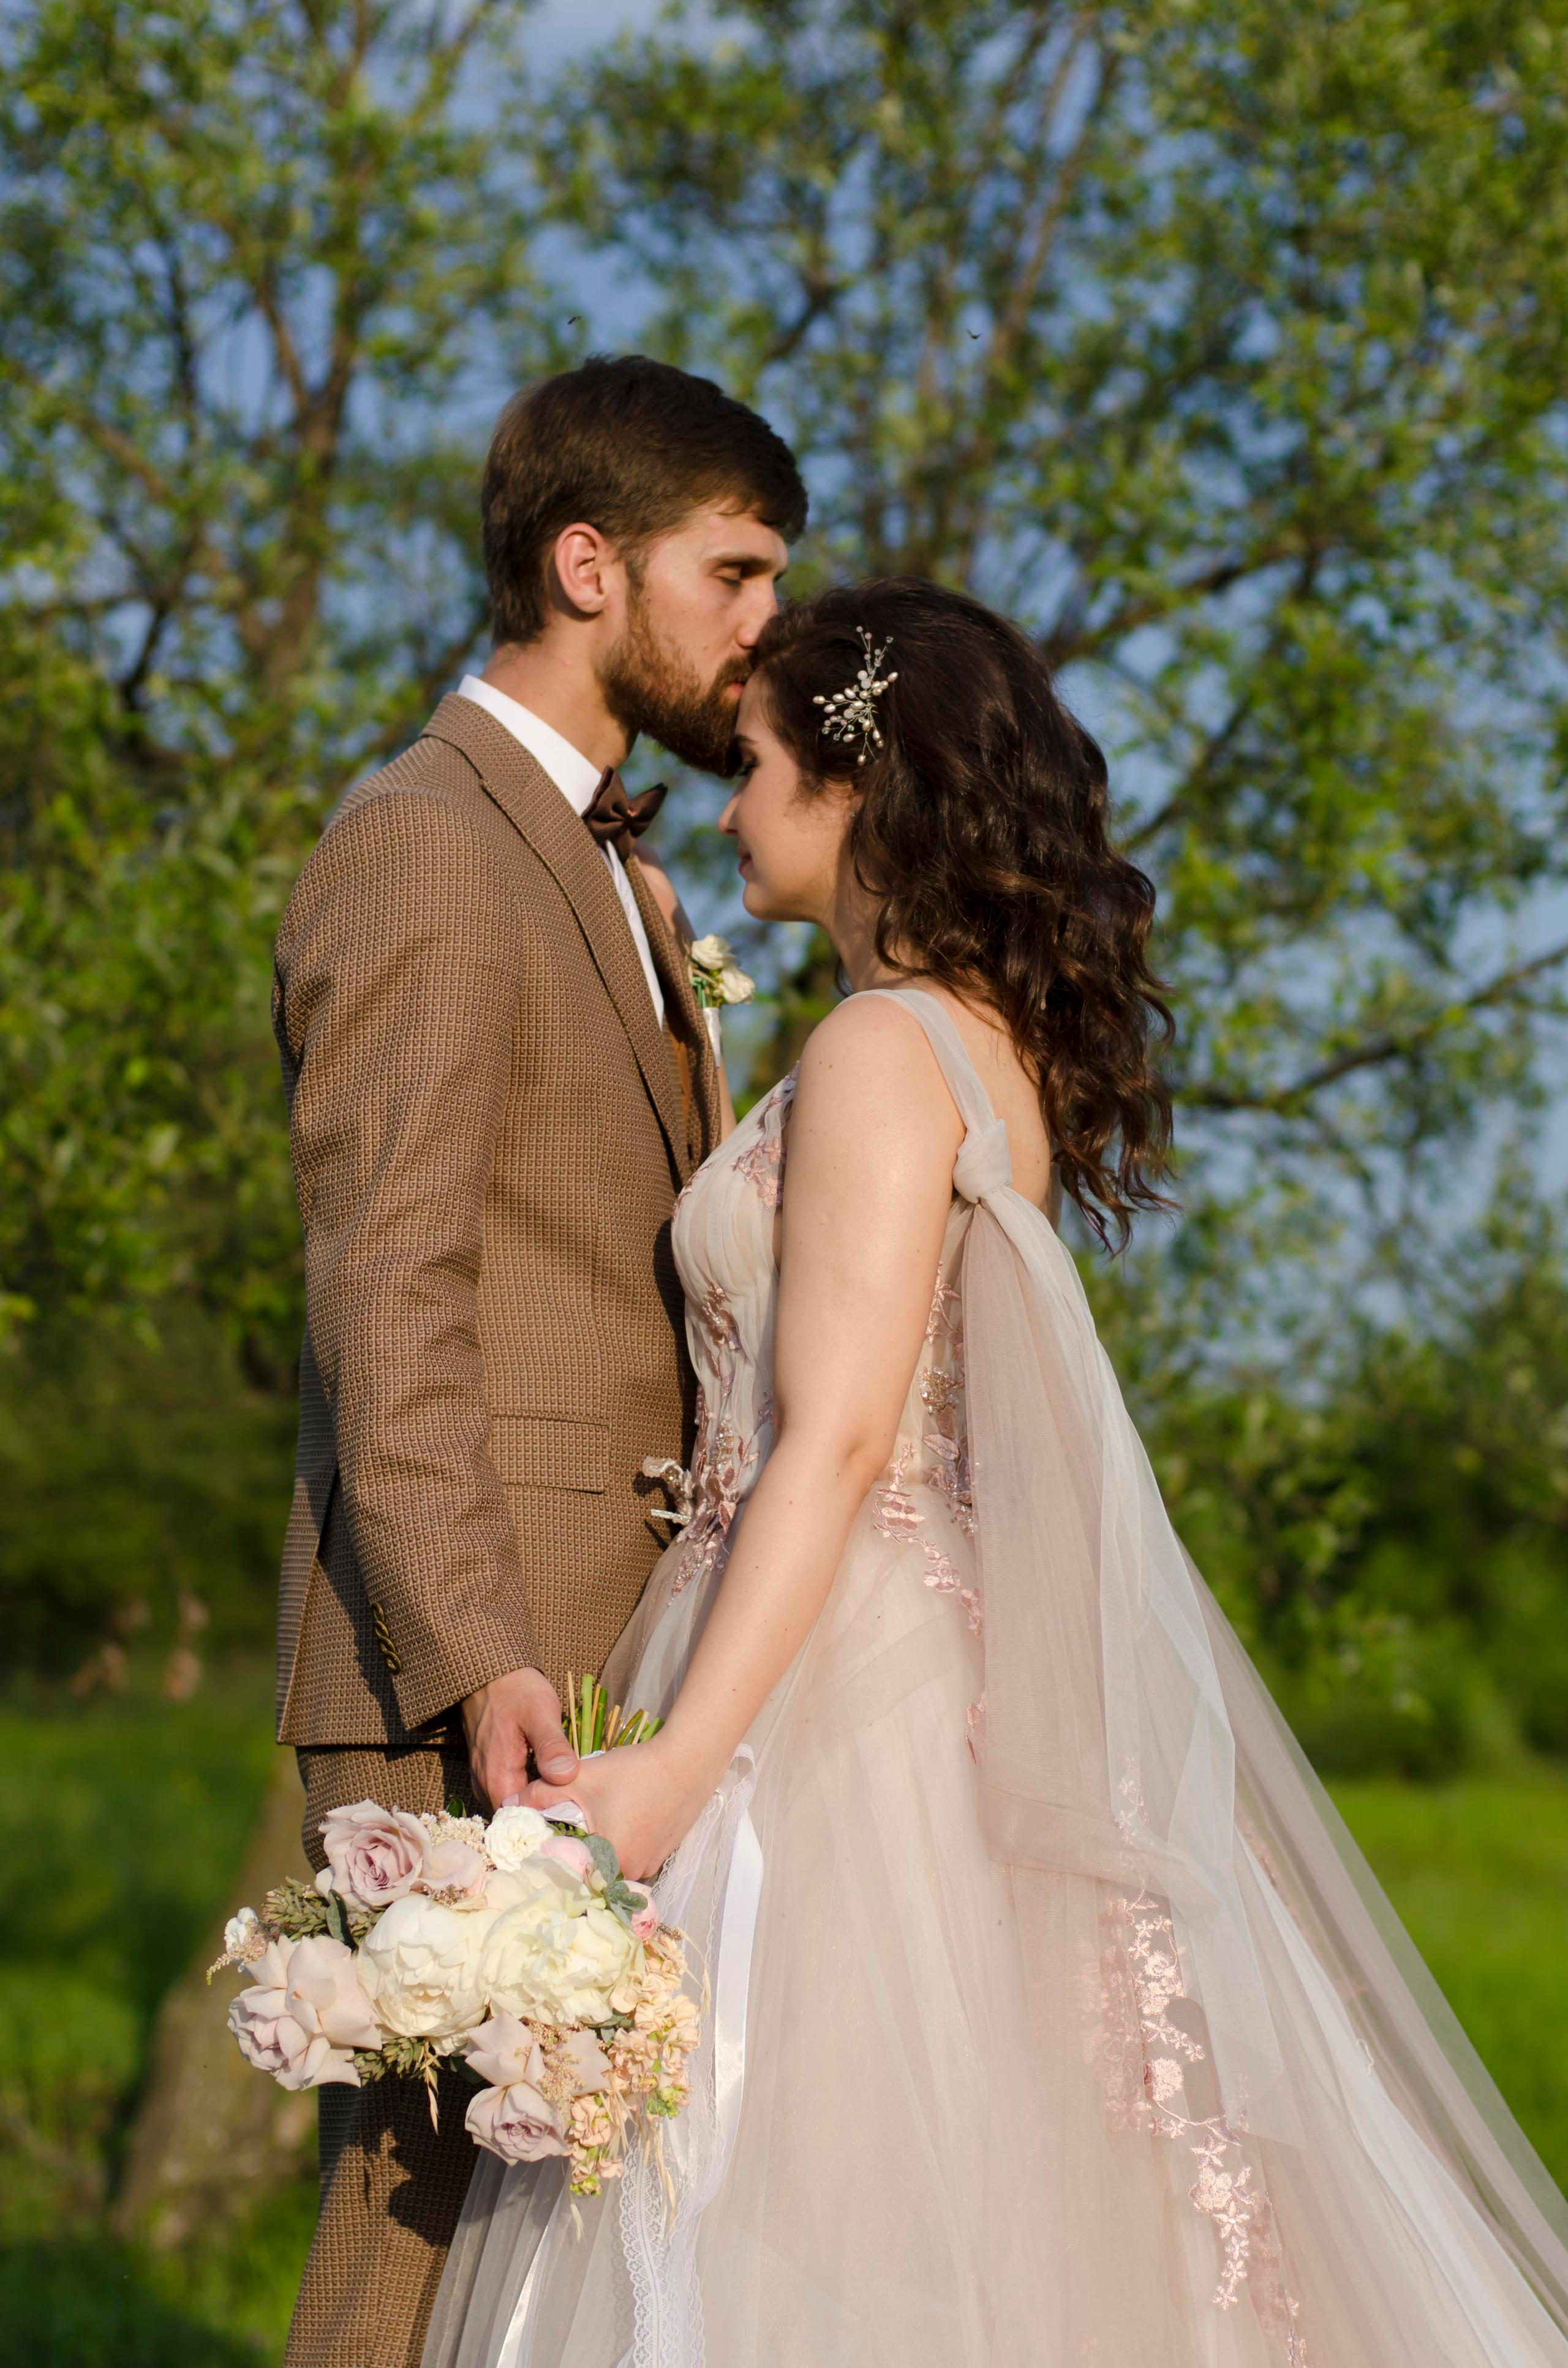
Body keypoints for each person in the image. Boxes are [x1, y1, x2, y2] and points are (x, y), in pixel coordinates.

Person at [423, 578, 1568, 2367]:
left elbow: (848, 1434)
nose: (728, 804)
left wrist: (667, 1779)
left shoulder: (883, 1051)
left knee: (799, 2223)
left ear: (856, 791)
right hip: (889, 1652)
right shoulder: (967, 1047)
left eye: (756, 765)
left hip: (825, 1693)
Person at [269, 353, 805, 2368]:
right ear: (590, 563)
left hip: (616, 1667)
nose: (767, 624)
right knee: (410, 2253)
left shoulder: (635, 875)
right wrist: (485, 1640)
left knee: (570, 2263)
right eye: (733, 570)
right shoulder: (420, 837)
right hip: (464, 1676)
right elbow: (386, 1286)